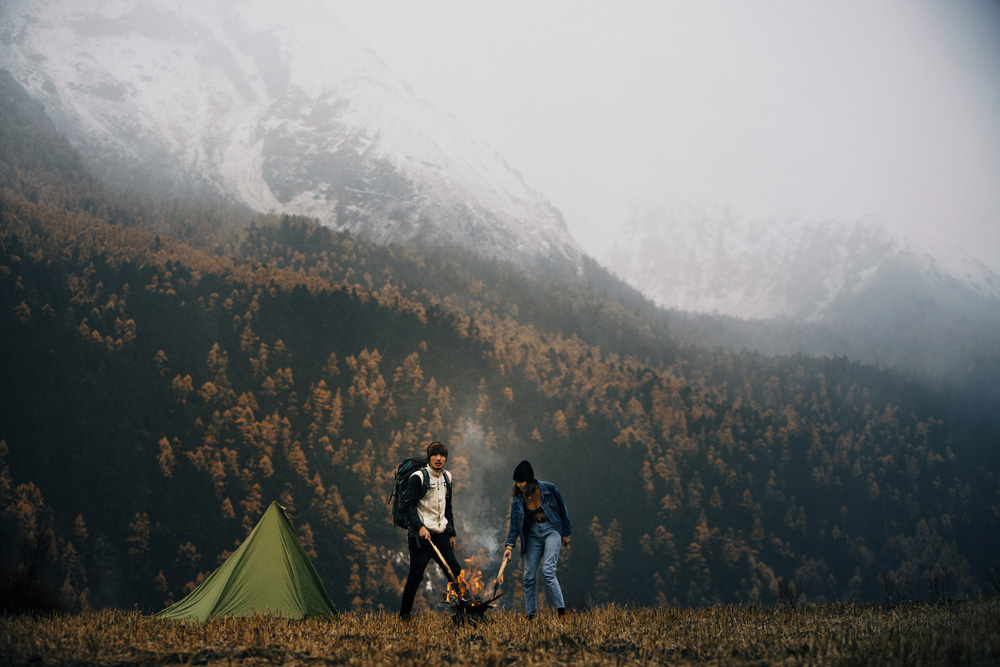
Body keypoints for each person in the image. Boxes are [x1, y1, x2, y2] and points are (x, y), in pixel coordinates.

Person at [399, 441, 462, 620]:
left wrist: (451, 533)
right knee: (416, 574)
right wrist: (420, 527)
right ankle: (404, 615)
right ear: (429, 457)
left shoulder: (447, 478)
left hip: (441, 534)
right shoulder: (419, 477)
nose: (439, 459)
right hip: (421, 538)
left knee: (455, 572)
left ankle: (464, 610)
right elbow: (408, 506)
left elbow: (447, 507)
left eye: (442, 456)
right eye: (435, 455)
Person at [503, 459, 572, 619]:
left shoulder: (549, 489)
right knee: (529, 577)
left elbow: (562, 509)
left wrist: (566, 533)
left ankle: (562, 613)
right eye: (516, 482)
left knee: (548, 570)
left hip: (551, 531)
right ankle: (530, 616)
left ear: (530, 479)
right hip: (532, 534)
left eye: (521, 481)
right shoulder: (517, 498)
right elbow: (514, 523)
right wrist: (509, 546)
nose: (518, 485)